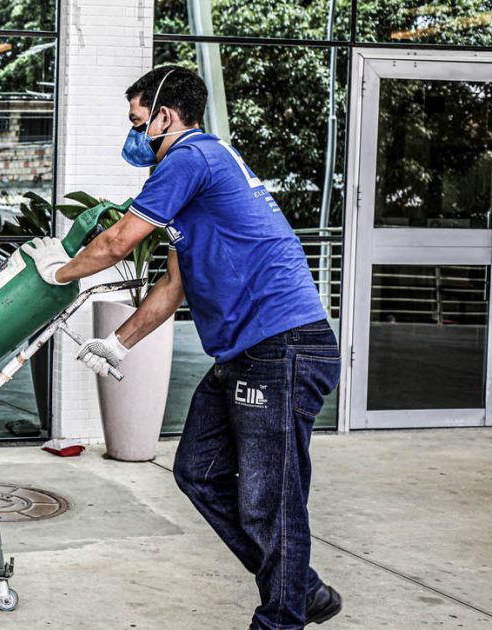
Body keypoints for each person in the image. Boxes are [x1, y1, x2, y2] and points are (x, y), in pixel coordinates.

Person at [19, 67, 342, 628]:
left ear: (165, 116)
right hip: (249, 351)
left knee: (271, 498)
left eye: (137, 122)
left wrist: (57, 273)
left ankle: (282, 616)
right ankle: (302, 589)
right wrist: (118, 345)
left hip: (282, 346)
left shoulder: (190, 157)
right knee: (197, 469)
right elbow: (173, 286)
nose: (134, 135)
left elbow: (120, 241)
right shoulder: (198, 175)